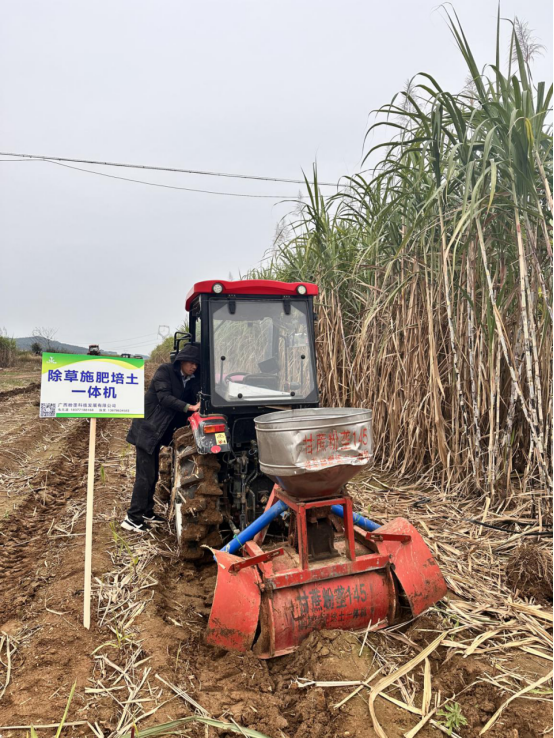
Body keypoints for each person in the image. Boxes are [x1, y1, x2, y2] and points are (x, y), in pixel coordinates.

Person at [121, 344, 201, 532]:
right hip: (147, 430)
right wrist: (190, 407)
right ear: (181, 361)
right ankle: (132, 518)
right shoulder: (164, 371)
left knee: (153, 474)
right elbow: (164, 398)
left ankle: (147, 512)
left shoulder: (189, 380)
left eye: (197, 364)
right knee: (145, 476)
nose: (194, 366)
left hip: (158, 433)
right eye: (191, 362)